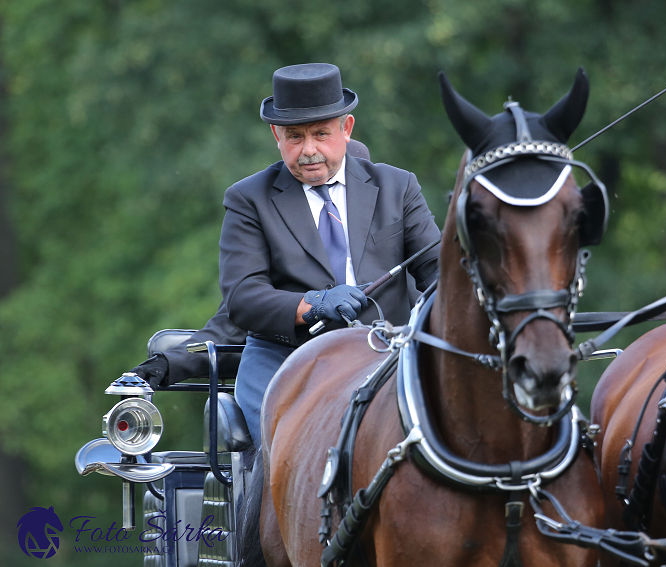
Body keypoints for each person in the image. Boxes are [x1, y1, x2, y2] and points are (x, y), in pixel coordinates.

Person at [219, 63, 441, 447]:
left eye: (321, 134)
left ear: (346, 129)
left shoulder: (398, 186)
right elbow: (243, 297)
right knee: (287, 456)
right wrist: (315, 304)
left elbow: (440, 273)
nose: (309, 151)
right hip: (284, 358)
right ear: (276, 135)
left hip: (388, 353)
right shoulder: (248, 199)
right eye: (294, 137)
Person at [125, 139, 373, 389]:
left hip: (382, 363)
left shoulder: (389, 224)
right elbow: (234, 321)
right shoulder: (271, 226)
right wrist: (169, 363)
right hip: (296, 368)